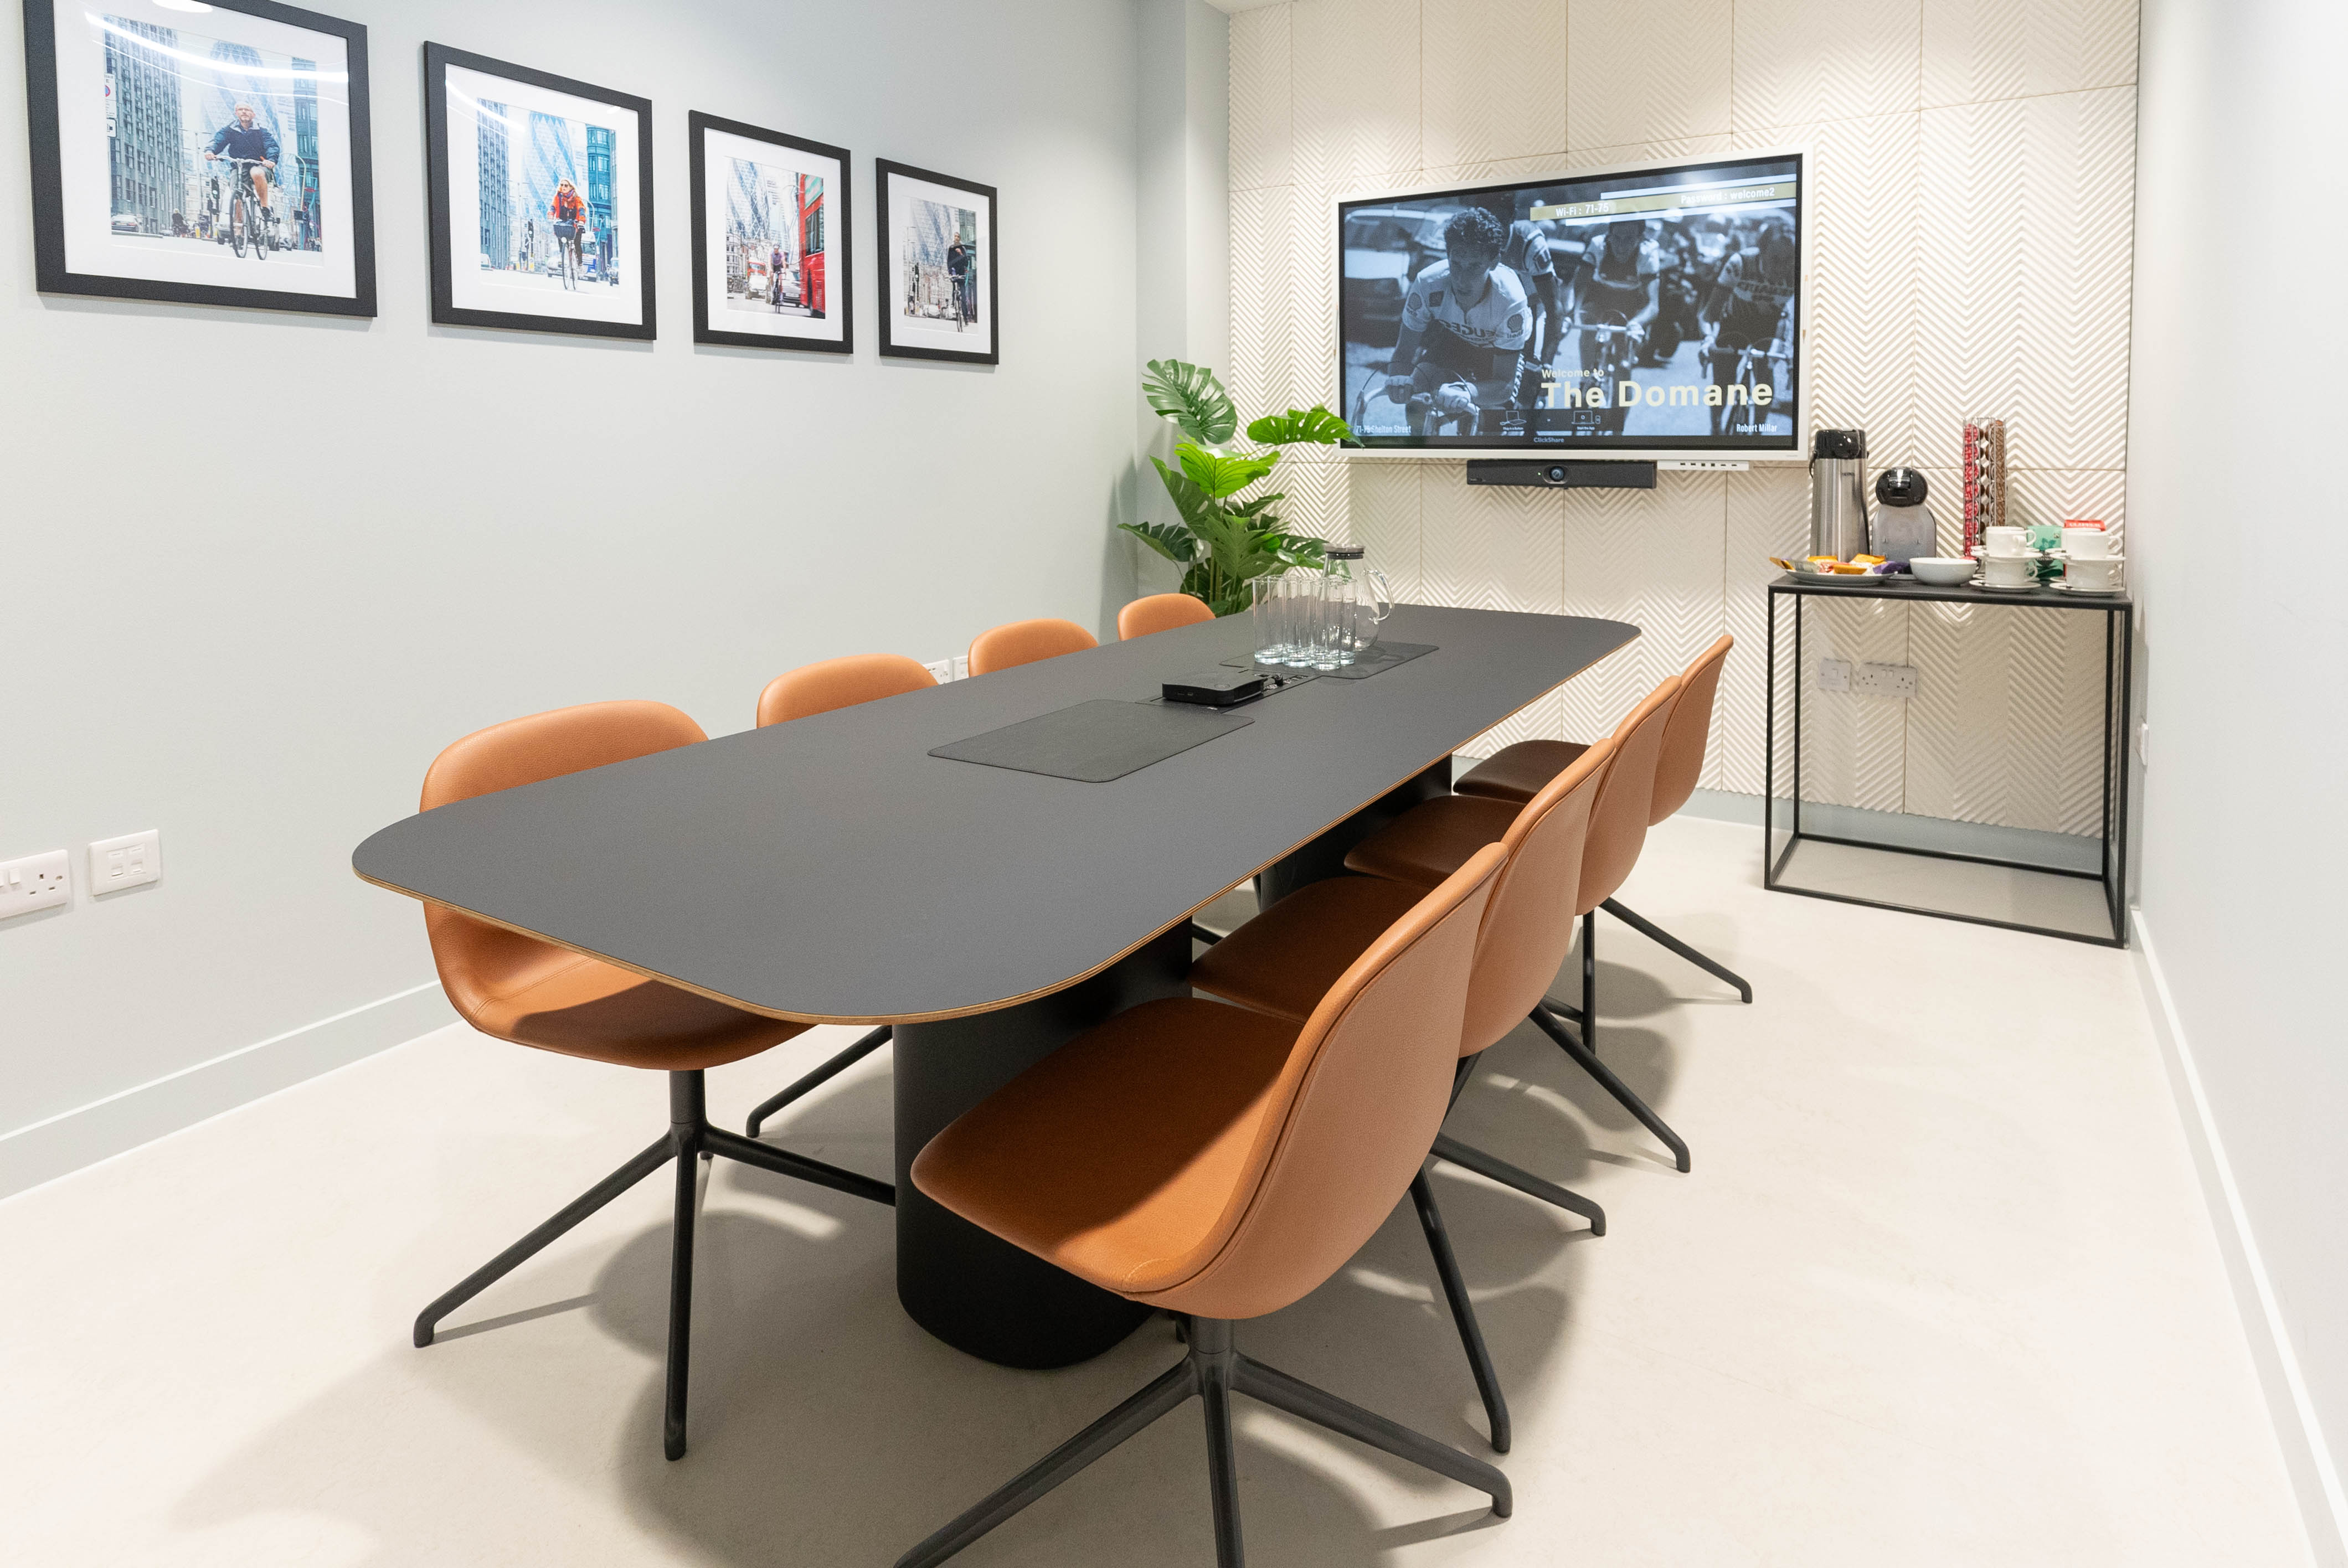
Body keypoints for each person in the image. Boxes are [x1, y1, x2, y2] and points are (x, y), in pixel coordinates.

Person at [1381, 207, 1528, 436]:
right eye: (1456, 263)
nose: (1462, 279)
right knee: (1417, 399)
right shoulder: (1427, 283)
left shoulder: (1511, 301)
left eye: (1475, 266)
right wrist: (1399, 383)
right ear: (1447, 254)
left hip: (1495, 355)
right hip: (1452, 343)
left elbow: (1504, 385)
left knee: (1492, 426)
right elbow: (1402, 355)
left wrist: (1468, 391)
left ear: (1494, 262)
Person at [1701, 215, 1798, 415]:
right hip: (1734, 324)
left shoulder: (1797, 271)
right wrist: (1708, 339)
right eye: (1775, 259)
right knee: (1723, 385)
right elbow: (1708, 314)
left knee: (1764, 377)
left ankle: (1759, 432)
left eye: (1789, 260)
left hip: (1767, 328)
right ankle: (1716, 430)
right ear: (1761, 251)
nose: (1780, 268)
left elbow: (1803, 323)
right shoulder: (1740, 263)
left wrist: (1792, 355)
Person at [1500, 216, 1563, 406]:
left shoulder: (1529, 239)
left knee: (1533, 369)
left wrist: (1547, 363)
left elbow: (1554, 307)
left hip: (1533, 306)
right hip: (1499, 307)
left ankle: (1532, 408)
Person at [203, 104, 279, 216]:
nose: (244, 112)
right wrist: (210, 151)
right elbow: (218, 141)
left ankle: (265, 208)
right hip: (239, 166)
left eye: (247, 110)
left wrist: (271, 160)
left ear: (253, 115)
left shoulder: (262, 131)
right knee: (236, 192)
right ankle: (239, 224)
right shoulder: (229, 131)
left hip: (259, 164)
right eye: (240, 110)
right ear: (236, 113)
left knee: (256, 173)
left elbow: (271, 146)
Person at [550, 178, 589, 274]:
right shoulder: (558, 197)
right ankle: (563, 253)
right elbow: (553, 206)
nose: (563, 187)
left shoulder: (577, 198)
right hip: (563, 222)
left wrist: (581, 220)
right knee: (559, 231)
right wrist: (551, 214)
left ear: (571, 187)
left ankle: (580, 264)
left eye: (566, 185)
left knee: (577, 244)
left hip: (575, 224)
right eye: (562, 185)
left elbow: (581, 209)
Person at [945, 232, 972, 326]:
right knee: (954, 287)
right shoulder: (951, 248)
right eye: (955, 236)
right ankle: (953, 302)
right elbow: (949, 261)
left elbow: (966, 262)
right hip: (954, 272)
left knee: (964, 297)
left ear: (960, 238)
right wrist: (949, 272)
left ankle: (965, 317)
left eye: (958, 237)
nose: (956, 238)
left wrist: (961, 254)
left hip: (961, 273)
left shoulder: (963, 249)